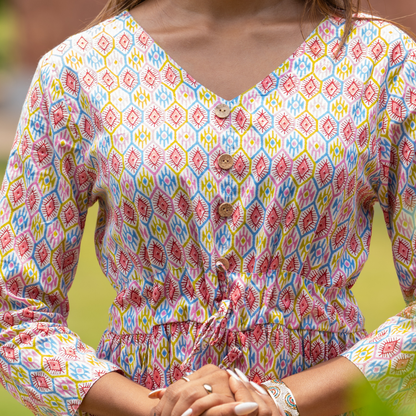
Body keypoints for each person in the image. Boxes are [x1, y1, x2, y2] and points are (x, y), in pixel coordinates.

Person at [0, 0, 415, 415]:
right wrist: (159, 410)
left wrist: (284, 401)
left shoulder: (383, 62)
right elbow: (13, 315)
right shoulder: (78, 70)